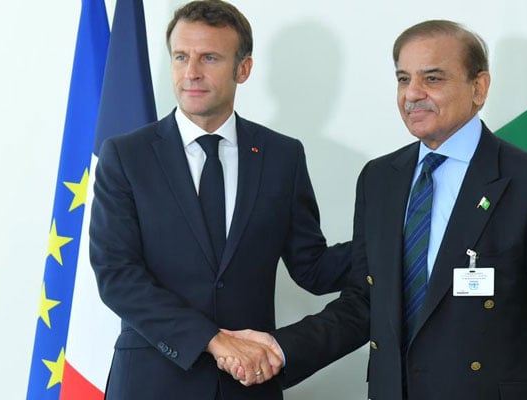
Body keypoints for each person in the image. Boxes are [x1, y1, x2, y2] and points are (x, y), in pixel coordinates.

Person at [220, 19, 527, 399]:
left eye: (432, 79)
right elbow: (367, 301)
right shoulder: (380, 178)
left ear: (479, 87)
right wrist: (280, 349)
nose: (412, 94)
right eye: (403, 79)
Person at [88, 1, 351, 399]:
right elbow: (117, 277)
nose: (191, 72)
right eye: (181, 57)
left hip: (249, 386)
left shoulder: (282, 156)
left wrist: (395, 236)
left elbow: (312, 267)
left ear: (242, 69)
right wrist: (213, 340)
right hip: (152, 383)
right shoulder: (126, 156)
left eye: (209, 57)